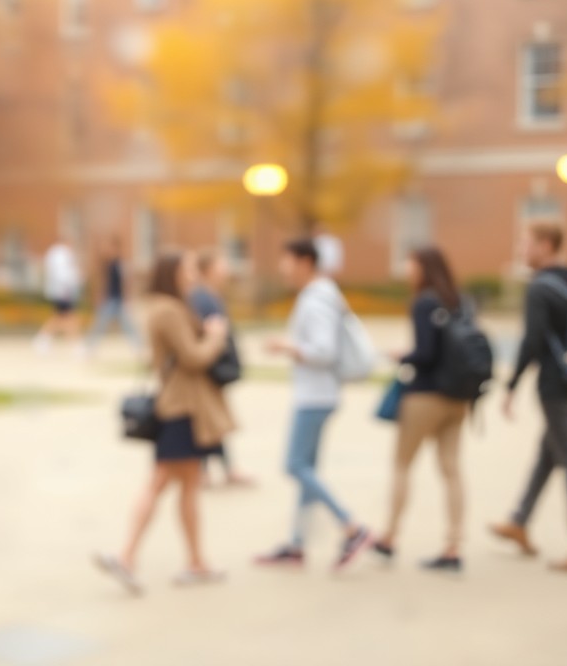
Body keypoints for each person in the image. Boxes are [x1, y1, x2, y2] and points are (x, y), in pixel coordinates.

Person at [95, 250, 233, 595]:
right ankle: (127, 556)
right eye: (187, 268)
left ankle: (194, 561)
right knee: (161, 482)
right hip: (182, 407)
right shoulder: (169, 310)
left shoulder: (163, 307)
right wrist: (215, 335)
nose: (192, 273)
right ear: (172, 272)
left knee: (185, 485)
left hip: (180, 406)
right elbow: (193, 357)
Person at [491, 221, 567, 573]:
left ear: (545, 245)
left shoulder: (540, 287)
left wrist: (511, 386)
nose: (523, 250)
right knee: (549, 452)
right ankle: (519, 521)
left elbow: (532, 341)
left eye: (527, 243)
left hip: (556, 383)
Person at [257, 238, 372, 570]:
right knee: (307, 470)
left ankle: (352, 527)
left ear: (305, 261)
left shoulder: (316, 299)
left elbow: (324, 351)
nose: (282, 268)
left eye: (287, 260)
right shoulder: (321, 295)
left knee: (294, 465)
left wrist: (286, 346)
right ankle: (297, 544)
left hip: (315, 396)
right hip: (320, 394)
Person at [372, 247, 470, 573]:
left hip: (425, 396)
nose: (406, 268)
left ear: (423, 267)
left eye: (410, 262)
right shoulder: (459, 300)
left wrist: (402, 355)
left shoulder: (423, 302)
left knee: (402, 465)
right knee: (451, 468)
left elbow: (425, 353)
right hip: (458, 396)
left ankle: (388, 537)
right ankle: (453, 545)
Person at [188, 250, 253, 488]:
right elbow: (208, 333)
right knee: (209, 421)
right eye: (221, 265)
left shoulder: (210, 295)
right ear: (208, 269)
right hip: (210, 366)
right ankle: (210, 471)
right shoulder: (202, 297)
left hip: (213, 365)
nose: (226, 270)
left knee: (213, 421)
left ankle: (221, 470)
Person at [84, 235, 143, 357]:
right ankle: (89, 347)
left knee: (128, 326)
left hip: (118, 300)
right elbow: (102, 283)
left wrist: (127, 299)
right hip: (110, 299)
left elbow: (126, 282)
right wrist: (99, 296)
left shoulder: (120, 264)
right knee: (100, 324)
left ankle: (139, 347)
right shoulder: (106, 265)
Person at [34, 237, 83, 355]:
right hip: (63, 290)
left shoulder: (55, 253)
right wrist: (76, 279)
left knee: (60, 317)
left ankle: (42, 339)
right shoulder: (61, 254)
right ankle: (76, 345)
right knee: (69, 317)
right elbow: (63, 274)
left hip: (59, 290)